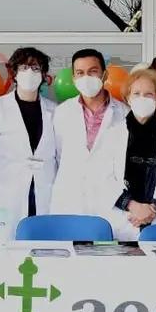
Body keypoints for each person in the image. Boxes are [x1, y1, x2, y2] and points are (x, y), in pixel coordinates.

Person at [88, 68, 156, 240]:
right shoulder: (112, 136)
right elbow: (102, 178)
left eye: (149, 94)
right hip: (121, 224)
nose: (142, 98)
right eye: (136, 93)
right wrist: (132, 205)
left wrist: (153, 209)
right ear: (128, 98)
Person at [0, 47, 59, 237]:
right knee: (7, 249)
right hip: (7, 196)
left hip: (45, 193)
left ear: (43, 75)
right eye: (24, 68)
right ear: (14, 73)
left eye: (35, 68)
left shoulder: (54, 111)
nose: (30, 73)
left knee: (45, 247)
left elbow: (62, 158)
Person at [50, 49, 127, 214]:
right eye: (80, 73)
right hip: (69, 200)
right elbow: (57, 156)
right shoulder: (62, 112)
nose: (86, 78)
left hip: (110, 201)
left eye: (93, 71)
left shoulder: (125, 114)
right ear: (73, 79)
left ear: (104, 75)